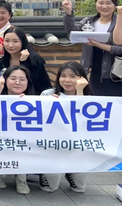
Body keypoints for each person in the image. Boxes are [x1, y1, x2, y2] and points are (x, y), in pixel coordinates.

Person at [39, 61, 90, 194]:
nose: (67, 80)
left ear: (81, 78)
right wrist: (48, 104)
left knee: (79, 187)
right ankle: (43, 172)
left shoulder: (89, 97)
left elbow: (82, 118)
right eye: (63, 76)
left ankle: (70, 172)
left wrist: (80, 90)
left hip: (77, 144)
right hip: (52, 144)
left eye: (73, 76)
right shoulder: (48, 94)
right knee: (51, 187)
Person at [62, 0, 122, 96]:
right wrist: (69, 11)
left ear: (115, 5)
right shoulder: (89, 21)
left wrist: (98, 44)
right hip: (93, 70)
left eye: (108, 3)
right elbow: (72, 29)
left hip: (115, 72)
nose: (104, 6)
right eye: (101, 3)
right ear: (96, 4)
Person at [0, 65, 35, 194]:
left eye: (22, 79)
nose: (17, 82)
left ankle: (21, 179)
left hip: (23, 140)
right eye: (13, 78)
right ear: (5, 80)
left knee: (26, 145)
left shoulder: (35, 100)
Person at [0, 27, 52, 95]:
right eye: (7, 41)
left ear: (23, 41)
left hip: (36, 96)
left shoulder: (33, 60)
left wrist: (23, 62)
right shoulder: (3, 61)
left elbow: (30, 82)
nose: (10, 45)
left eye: (15, 41)